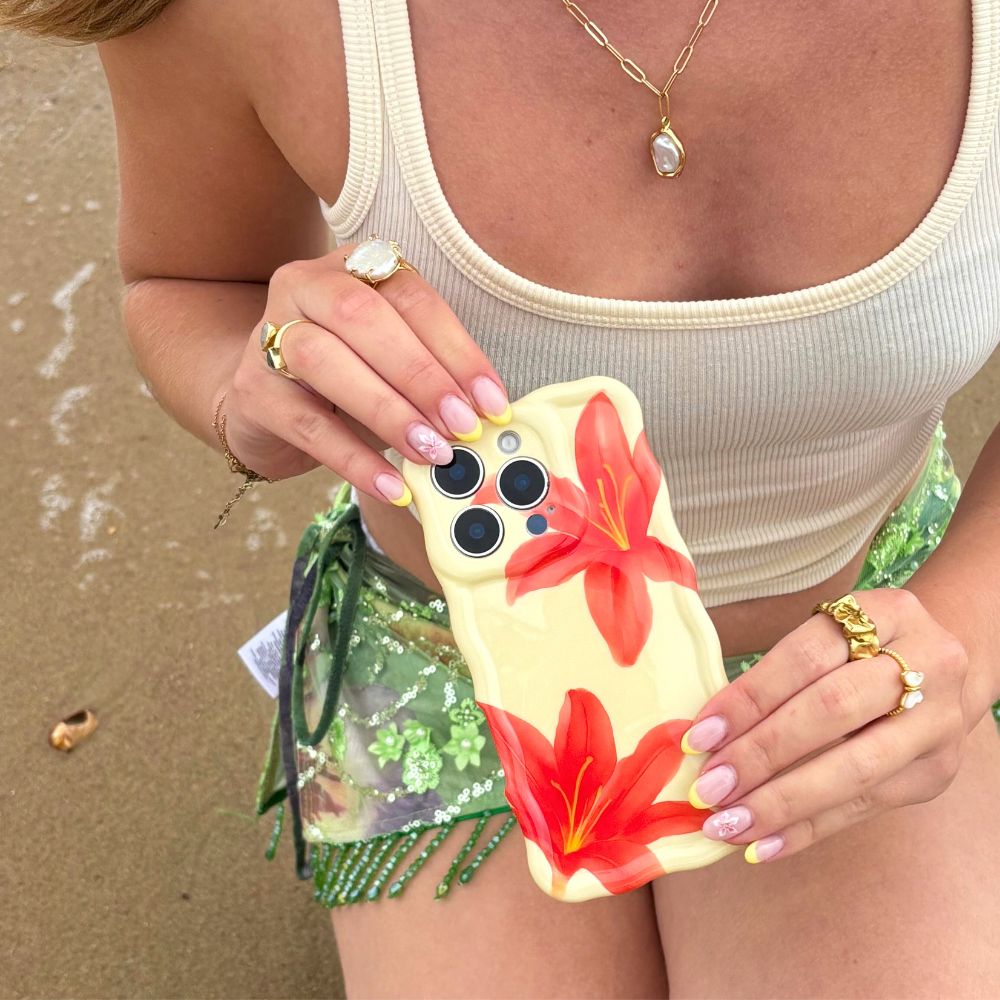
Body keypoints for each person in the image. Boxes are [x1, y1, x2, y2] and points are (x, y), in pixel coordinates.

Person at [6, 0, 1000, 995]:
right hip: (450, 675)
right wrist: (254, 389)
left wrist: (962, 623)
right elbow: (186, 279)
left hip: (860, 645)